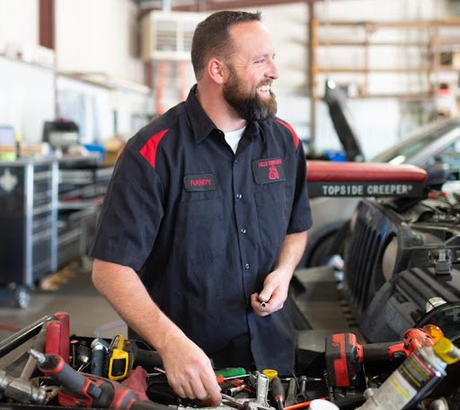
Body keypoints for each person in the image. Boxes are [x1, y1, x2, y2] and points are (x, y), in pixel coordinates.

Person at [90, 10, 312, 406]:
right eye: (260, 60)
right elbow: (110, 270)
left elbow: (297, 225)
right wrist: (171, 343)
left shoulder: (285, 141)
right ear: (218, 70)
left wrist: (284, 270)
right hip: (184, 371)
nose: (274, 71)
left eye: (272, 57)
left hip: (274, 359)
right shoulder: (153, 152)